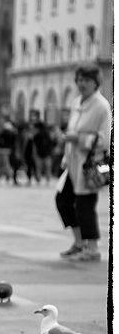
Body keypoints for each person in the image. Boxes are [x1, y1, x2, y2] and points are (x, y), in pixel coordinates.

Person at [55, 63, 112, 262]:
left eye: (86, 80)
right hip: (71, 164)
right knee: (63, 200)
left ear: (96, 82)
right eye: (79, 80)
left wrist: (78, 139)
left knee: (85, 205)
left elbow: (104, 140)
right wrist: (66, 151)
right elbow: (73, 130)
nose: (81, 84)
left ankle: (93, 248)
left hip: (89, 165)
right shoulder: (77, 102)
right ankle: (79, 242)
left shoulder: (101, 106)